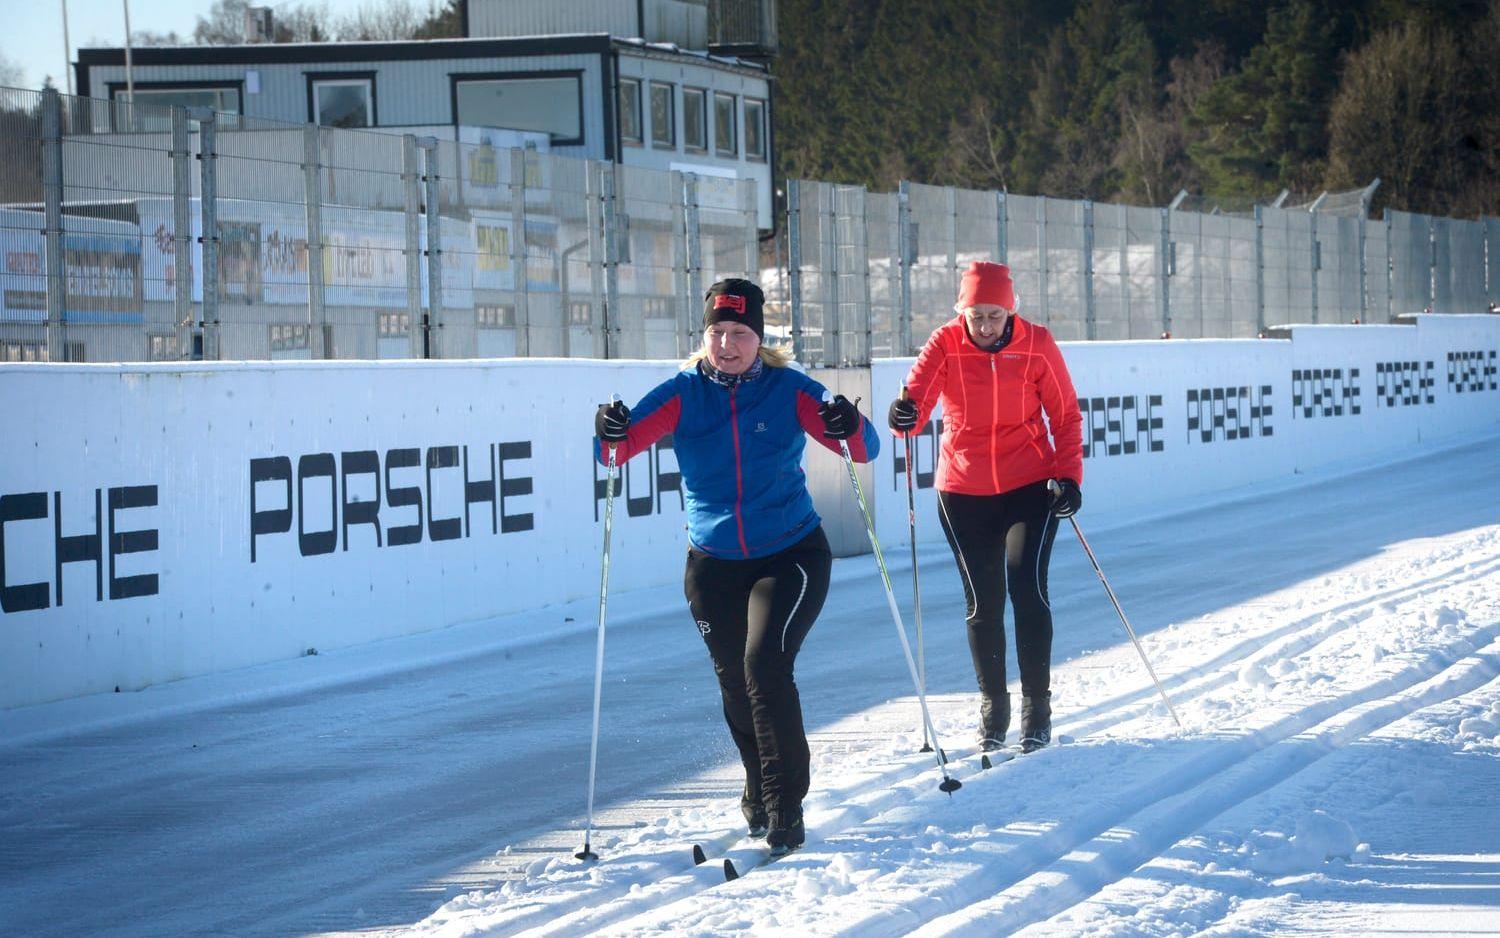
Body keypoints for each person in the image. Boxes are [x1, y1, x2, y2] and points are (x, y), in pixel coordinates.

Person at [593, 278, 880, 855]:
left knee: (764, 664)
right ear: (704, 336)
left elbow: (863, 448)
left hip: (791, 553)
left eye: (740, 333)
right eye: (717, 332)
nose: (727, 344)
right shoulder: (681, 392)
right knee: (735, 683)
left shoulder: (788, 388)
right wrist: (609, 430)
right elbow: (614, 452)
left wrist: (849, 424)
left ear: (760, 337)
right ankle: (758, 787)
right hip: (713, 564)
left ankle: (784, 805)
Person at [887, 260, 1082, 754]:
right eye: (975, 315)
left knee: (1027, 587)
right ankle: (994, 706)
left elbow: (1064, 415)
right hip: (964, 489)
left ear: (1010, 309)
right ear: (963, 311)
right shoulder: (946, 342)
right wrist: (902, 415)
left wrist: (1068, 477)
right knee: (983, 601)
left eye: (994, 315)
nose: (985, 325)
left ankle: (1037, 708)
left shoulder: (1036, 343)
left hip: (1029, 484)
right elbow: (914, 405)